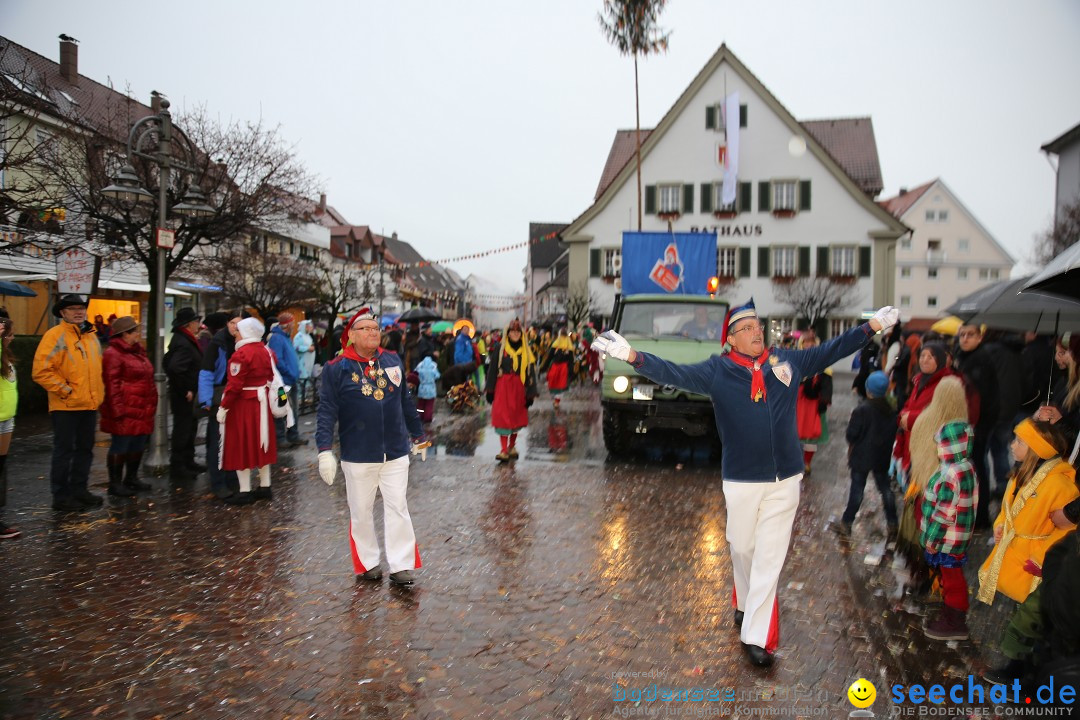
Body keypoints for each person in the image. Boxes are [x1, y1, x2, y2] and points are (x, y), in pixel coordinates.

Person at [592, 298, 899, 667]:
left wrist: (872, 327)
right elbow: (673, 373)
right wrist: (631, 355)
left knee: (768, 559)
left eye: (758, 326)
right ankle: (743, 599)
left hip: (785, 478)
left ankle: (756, 638)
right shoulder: (718, 371)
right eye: (747, 328)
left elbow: (833, 348)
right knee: (742, 548)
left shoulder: (788, 361)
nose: (756, 332)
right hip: (740, 479)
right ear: (732, 339)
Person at [316, 308, 426, 586]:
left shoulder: (391, 359)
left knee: (398, 506)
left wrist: (418, 435)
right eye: (364, 329)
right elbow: (327, 410)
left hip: (395, 450)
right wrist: (324, 449)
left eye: (375, 329)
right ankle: (368, 563)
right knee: (361, 510)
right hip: (358, 453)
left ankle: (401, 565)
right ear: (351, 335)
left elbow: (405, 402)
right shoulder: (336, 368)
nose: (372, 333)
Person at [977, 419, 1079, 685]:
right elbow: (1006, 511)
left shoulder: (1061, 487)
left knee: (1029, 622)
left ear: (1035, 448)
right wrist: (1000, 527)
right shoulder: (1020, 476)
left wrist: (1042, 558)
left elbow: (1066, 532)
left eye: (1019, 441)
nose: (1012, 445)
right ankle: (1021, 670)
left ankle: (1020, 674)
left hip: (1034, 564)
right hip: (1016, 556)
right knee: (1019, 612)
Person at [32, 294, 105, 511]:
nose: (78, 311)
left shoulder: (91, 336)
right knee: (64, 451)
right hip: (65, 406)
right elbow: (41, 371)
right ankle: (61, 496)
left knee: (85, 450)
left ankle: (79, 489)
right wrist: (65, 391)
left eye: (81, 307)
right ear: (63, 313)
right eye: (72, 308)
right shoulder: (55, 336)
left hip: (89, 405)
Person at [919, 419, 979, 641]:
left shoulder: (951, 474)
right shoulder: (965, 467)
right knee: (950, 575)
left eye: (941, 445)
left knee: (952, 578)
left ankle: (955, 619)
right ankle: (951, 610)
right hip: (956, 536)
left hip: (947, 539)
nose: (938, 449)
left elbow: (945, 512)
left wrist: (932, 540)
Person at [217, 317, 278, 505]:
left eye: (238, 331)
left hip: (243, 405)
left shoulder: (241, 355)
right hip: (262, 403)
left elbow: (234, 386)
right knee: (262, 443)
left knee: (240, 445)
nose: (235, 334)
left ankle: (245, 491)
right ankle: (265, 486)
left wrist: (223, 406)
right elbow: (271, 376)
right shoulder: (266, 351)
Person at [835, 371, 897, 536]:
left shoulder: (861, 410)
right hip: (881, 456)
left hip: (861, 457)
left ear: (868, 389)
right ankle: (893, 522)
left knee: (857, 491)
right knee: (885, 489)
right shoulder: (891, 410)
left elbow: (851, 435)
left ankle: (847, 522)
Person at [100, 316, 157, 497]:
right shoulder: (113, 354)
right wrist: (117, 410)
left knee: (137, 443)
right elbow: (111, 384)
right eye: (135, 331)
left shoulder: (137, 352)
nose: (138, 335)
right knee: (121, 445)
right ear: (124, 334)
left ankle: (131, 478)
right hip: (125, 408)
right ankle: (115, 483)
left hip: (140, 408)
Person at [953, 324, 999, 527]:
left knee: (977, 469)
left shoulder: (979, 361)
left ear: (979, 338)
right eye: (962, 335)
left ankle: (980, 517)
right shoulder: (964, 358)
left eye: (970, 335)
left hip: (978, 425)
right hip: (970, 424)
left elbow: (982, 397)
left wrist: (978, 427)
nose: (965, 339)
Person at [199, 310, 242, 500]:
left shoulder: (243, 342)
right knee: (217, 442)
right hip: (219, 396)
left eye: (239, 324)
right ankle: (217, 483)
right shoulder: (218, 343)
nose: (236, 327)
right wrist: (206, 400)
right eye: (233, 323)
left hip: (237, 397)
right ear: (227, 323)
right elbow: (206, 371)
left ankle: (232, 477)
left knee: (233, 441)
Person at [485, 319, 538, 463]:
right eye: (512, 331)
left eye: (517, 332)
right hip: (503, 388)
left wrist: (531, 393)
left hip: (519, 388)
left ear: (521, 334)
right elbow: (492, 370)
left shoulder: (526, 351)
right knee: (503, 417)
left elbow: (530, 373)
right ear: (507, 333)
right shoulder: (500, 349)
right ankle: (503, 450)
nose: (515, 334)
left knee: (516, 417)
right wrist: (490, 390)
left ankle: (512, 446)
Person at [164, 307, 205, 479]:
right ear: (189, 324)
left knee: (190, 428)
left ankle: (188, 461)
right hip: (183, 394)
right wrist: (185, 390)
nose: (199, 325)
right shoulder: (183, 342)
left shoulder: (185, 339)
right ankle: (178, 465)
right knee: (183, 429)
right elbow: (174, 368)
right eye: (196, 321)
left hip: (189, 391)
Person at [795, 333, 832, 476]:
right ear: (801, 344)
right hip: (798, 403)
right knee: (795, 434)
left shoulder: (823, 363)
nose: (809, 345)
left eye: (812, 342)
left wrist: (824, 401)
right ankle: (796, 462)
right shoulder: (795, 360)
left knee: (811, 436)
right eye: (806, 342)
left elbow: (827, 384)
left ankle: (807, 463)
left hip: (814, 405)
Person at [267, 312, 304, 447]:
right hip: (282, 383)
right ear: (287, 324)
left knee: (293, 410)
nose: (294, 325)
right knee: (281, 409)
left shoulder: (286, 338)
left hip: (291, 380)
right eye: (292, 323)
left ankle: (293, 435)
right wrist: (289, 372)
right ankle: (280, 438)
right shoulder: (277, 338)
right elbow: (278, 360)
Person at [0, 309, 18, 538]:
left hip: (7, 419)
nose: (13, 336)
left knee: (1, 469)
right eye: (10, 332)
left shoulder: (7, 356)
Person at [545, 328, 574, 409]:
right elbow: (550, 356)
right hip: (555, 366)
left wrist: (571, 370)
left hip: (563, 367)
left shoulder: (569, 346)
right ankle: (555, 398)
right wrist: (544, 366)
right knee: (552, 382)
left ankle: (557, 401)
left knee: (561, 384)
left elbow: (571, 360)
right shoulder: (555, 344)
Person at [415, 354, 440, 426]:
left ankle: (420, 416)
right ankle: (428, 418)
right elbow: (437, 375)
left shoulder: (420, 365)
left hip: (422, 387)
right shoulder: (433, 366)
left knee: (421, 404)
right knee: (429, 404)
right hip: (431, 388)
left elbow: (415, 373)